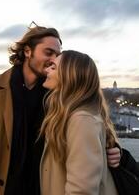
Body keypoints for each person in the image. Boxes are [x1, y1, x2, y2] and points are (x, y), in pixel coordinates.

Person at [0, 26, 120, 195]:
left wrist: (114, 150)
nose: (53, 59)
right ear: (27, 51)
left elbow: (91, 134)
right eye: (48, 52)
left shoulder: (59, 95)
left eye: (57, 55)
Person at [39, 50, 119, 194]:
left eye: (53, 67)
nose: (46, 70)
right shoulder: (72, 114)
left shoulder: (81, 120)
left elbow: (82, 190)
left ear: (69, 76)